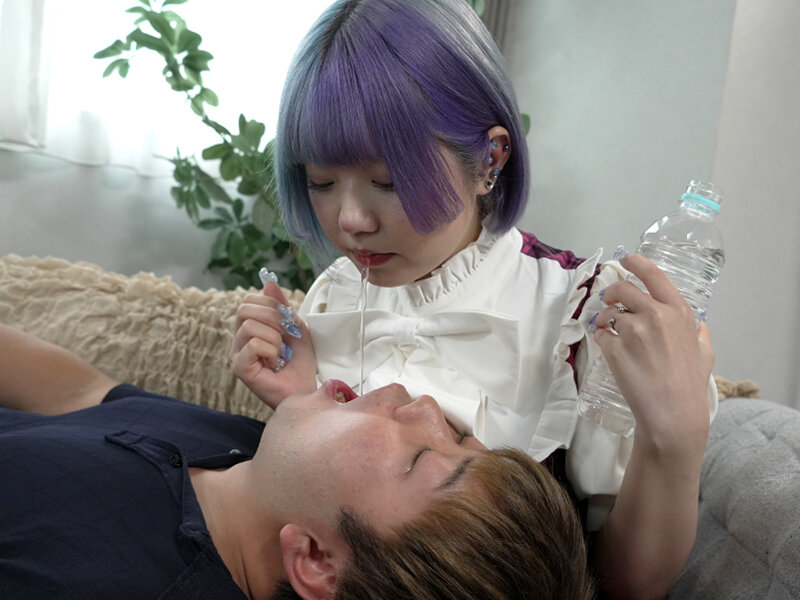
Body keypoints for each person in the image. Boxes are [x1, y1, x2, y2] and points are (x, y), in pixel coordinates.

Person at [229, 0, 717, 597]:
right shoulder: (335, 293)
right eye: (321, 182)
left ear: (490, 158)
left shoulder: (583, 317)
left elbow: (624, 586)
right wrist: (298, 398)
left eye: (388, 181)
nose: (350, 220)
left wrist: (675, 435)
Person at [0, 323, 593, 600]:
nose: (427, 406)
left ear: (316, 561)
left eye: (420, 458)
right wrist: (307, 415)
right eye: (461, 436)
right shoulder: (254, 461)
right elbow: (78, 394)